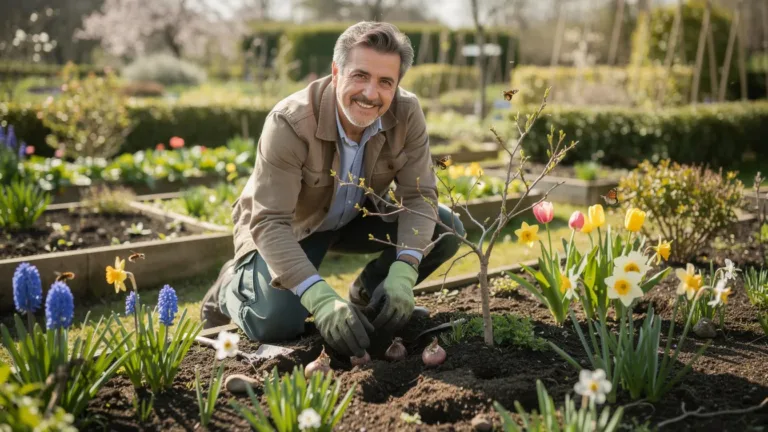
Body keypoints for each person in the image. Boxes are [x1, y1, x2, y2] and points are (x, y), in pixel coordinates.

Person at [200, 21, 465, 358]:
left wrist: (405, 268)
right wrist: (320, 299)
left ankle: (368, 294)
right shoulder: (290, 122)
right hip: (291, 227)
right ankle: (228, 287)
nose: (371, 93)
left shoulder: (406, 111)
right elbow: (269, 222)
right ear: (336, 71)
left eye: (386, 82)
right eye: (360, 76)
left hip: (354, 216)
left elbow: (419, 196)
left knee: (445, 229)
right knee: (277, 324)